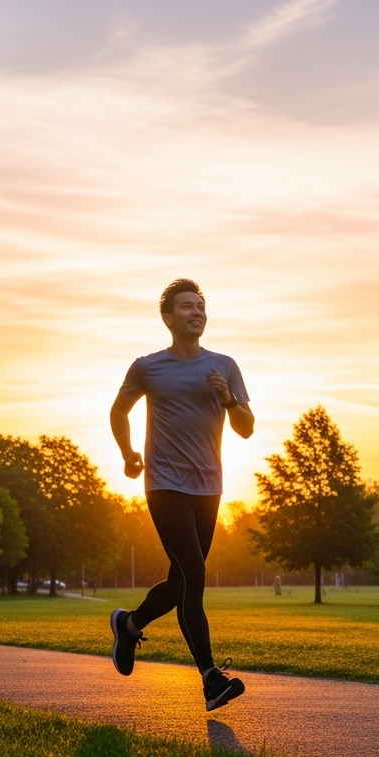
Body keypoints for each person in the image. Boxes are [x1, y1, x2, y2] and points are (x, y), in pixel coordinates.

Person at [108, 278, 254, 712]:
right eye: (187, 306)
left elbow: (246, 428)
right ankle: (210, 679)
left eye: (201, 305)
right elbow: (118, 411)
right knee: (194, 573)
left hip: (209, 487)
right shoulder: (147, 367)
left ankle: (129, 624)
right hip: (164, 484)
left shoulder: (224, 366)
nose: (197, 311)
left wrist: (228, 399)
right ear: (168, 318)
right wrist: (129, 454)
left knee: (180, 581)